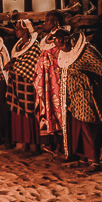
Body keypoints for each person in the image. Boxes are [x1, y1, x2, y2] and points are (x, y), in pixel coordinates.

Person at [53, 29, 102, 172]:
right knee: (75, 125)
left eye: (58, 41)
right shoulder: (63, 53)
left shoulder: (86, 51)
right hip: (70, 95)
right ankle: (82, 156)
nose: (57, 45)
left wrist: (82, 75)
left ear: (66, 39)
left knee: (88, 126)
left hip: (85, 95)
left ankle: (96, 161)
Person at [5, 19, 42, 153]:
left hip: (28, 85)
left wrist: (13, 65)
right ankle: (25, 142)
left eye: (18, 29)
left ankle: (36, 145)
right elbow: (17, 60)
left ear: (25, 30)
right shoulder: (19, 46)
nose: (16, 31)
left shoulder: (35, 46)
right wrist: (11, 63)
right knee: (20, 114)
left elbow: (32, 66)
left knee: (30, 113)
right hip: (17, 84)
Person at [35, 10, 67, 154]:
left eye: (48, 20)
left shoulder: (63, 37)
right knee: (48, 110)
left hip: (56, 81)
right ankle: (52, 143)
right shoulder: (46, 39)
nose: (45, 23)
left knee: (59, 109)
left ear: (56, 22)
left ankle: (63, 144)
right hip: (45, 82)